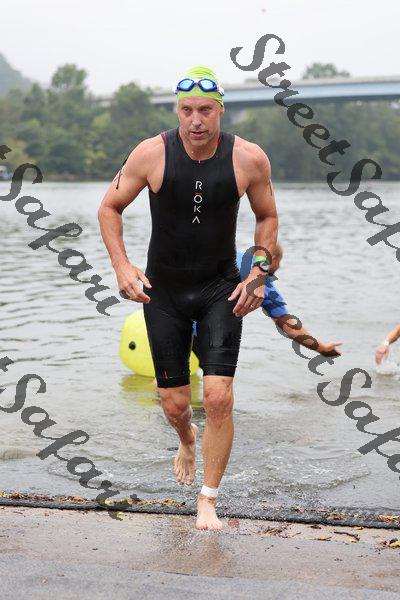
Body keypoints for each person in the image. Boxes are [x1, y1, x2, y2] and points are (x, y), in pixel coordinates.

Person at [98, 65, 278, 531]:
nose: (195, 120)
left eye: (205, 110)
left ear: (220, 111)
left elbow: (267, 218)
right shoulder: (151, 153)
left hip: (221, 288)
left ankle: (208, 499)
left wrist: (259, 273)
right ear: (177, 111)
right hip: (165, 292)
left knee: (218, 396)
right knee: (175, 405)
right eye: (186, 110)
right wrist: (122, 267)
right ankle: (186, 439)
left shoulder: (249, 158)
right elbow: (109, 208)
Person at [191, 243, 342, 359]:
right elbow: (290, 327)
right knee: (219, 384)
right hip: (205, 333)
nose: (279, 266)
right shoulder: (261, 282)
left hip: (181, 321)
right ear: (273, 259)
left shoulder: (233, 256)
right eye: (280, 261)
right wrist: (323, 349)